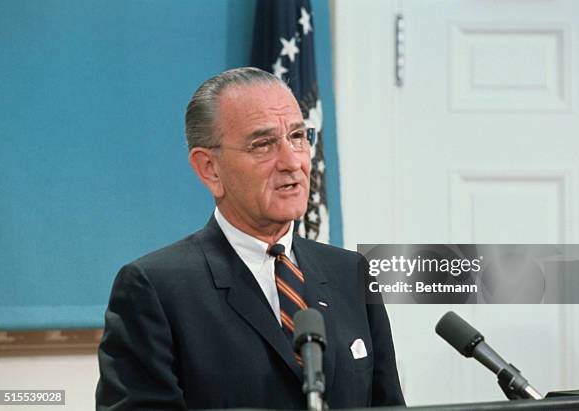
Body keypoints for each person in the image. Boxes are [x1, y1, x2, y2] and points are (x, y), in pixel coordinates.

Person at [96, 67, 405, 410]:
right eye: (263, 144)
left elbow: (387, 402)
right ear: (209, 168)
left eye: (298, 137)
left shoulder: (351, 272)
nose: (292, 162)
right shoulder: (155, 288)